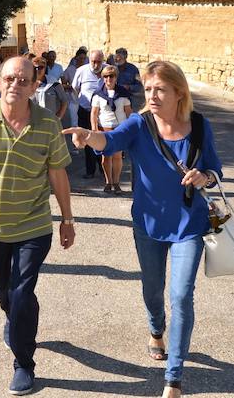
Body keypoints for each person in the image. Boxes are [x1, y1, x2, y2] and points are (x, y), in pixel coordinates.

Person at [64, 61, 222, 398]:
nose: (151, 95)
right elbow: (111, 141)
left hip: (189, 225)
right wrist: (89, 136)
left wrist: (203, 176)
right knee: (153, 289)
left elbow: (214, 168)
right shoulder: (139, 124)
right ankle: (155, 328)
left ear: (179, 93)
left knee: (181, 295)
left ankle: (173, 377)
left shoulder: (198, 125)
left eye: (160, 89)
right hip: (148, 225)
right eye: (148, 89)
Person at [0, 56, 75, 396]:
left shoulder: (47, 124)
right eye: (9, 78)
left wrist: (67, 218)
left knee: (21, 293)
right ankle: (16, 319)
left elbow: (57, 174)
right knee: (2, 290)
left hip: (34, 226)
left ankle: (24, 363)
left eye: (23, 80)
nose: (15, 85)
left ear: (35, 86)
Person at [90, 64, 133, 194]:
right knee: (106, 157)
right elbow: (94, 113)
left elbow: (129, 112)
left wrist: (130, 129)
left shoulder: (123, 94)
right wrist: (94, 129)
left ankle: (116, 182)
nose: (109, 79)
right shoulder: (98, 94)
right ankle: (108, 182)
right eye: (106, 76)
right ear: (103, 78)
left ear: (116, 77)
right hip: (104, 128)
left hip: (119, 128)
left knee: (117, 157)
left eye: (112, 76)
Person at [71, 49, 105, 178]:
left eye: (99, 62)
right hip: (85, 111)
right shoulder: (81, 71)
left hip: (101, 113)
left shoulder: (108, 70)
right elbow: (75, 88)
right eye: (93, 61)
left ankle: (103, 169)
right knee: (87, 140)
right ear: (89, 60)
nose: (96, 65)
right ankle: (90, 171)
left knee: (101, 139)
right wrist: (81, 101)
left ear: (103, 60)